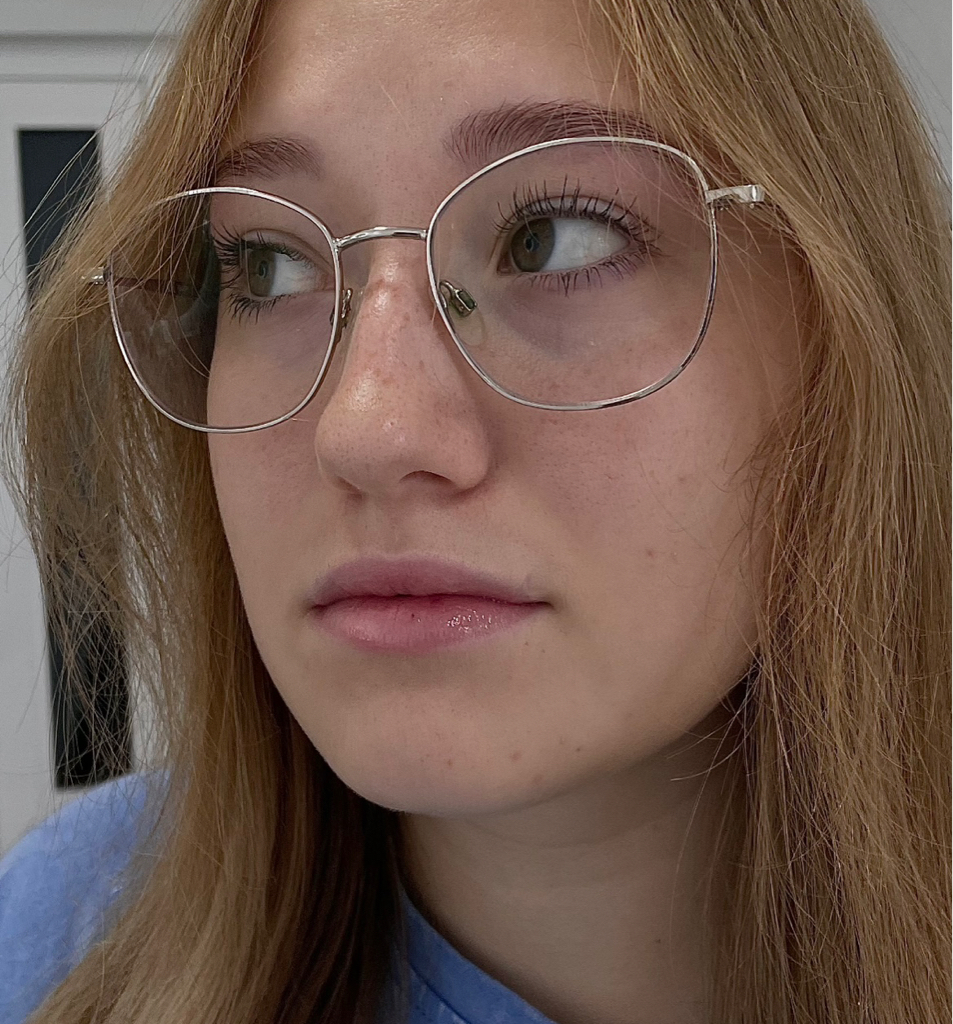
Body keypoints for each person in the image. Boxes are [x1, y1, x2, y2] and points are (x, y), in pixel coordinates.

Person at [0, 0, 948, 1021]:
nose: (367, 430)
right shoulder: (67, 934)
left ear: (844, 324)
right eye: (269, 262)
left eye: (550, 239)